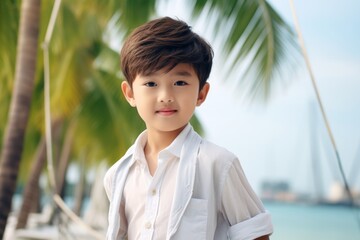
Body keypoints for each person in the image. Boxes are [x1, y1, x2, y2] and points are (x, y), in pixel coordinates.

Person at [104, 16, 273, 240]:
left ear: (201, 94)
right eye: (151, 84)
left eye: (180, 83)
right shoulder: (118, 174)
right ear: (130, 93)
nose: (165, 96)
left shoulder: (219, 164)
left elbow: (256, 235)